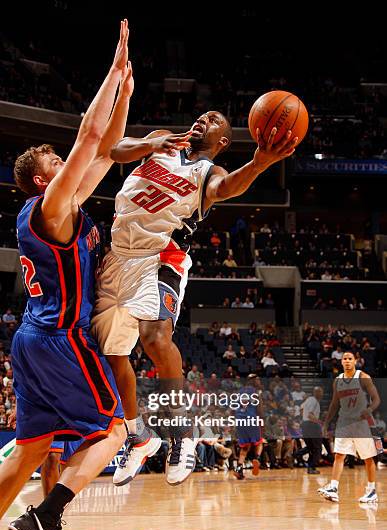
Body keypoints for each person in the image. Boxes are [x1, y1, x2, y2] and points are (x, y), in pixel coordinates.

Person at [91, 114, 297, 487]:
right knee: (112, 356)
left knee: (155, 338)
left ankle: (181, 434)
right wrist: (149, 145)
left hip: (159, 257)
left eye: (214, 121)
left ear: (222, 141)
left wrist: (260, 162)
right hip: (115, 258)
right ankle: (138, 438)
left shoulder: (208, 170)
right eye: (202, 116)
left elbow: (227, 187)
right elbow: (114, 150)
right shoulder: (162, 140)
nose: (203, 120)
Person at [0, 20, 133, 530]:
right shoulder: (52, 210)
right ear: (40, 182)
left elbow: (103, 147)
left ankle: (38, 512)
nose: (68, 164)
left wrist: (124, 91)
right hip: (60, 339)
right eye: (54, 164)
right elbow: (87, 137)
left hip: (33, 339)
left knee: (31, 449)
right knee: (114, 428)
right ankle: (45, 516)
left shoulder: (67, 206)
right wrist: (110, 69)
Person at [318, 351, 380, 503]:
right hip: (344, 422)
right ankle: (333, 488)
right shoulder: (338, 380)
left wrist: (370, 409)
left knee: (367, 458)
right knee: (339, 455)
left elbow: (376, 399)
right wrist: (326, 423)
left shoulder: (363, 377)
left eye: (349, 359)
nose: (346, 361)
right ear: (341, 361)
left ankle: (371, 491)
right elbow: (334, 404)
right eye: (344, 359)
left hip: (361, 423)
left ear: (355, 361)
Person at [300, 387, 324, 474]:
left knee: (311, 448)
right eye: (320, 392)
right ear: (315, 392)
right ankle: (311, 467)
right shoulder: (313, 401)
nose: (322, 394)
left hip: (306, 424)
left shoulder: (309, 400)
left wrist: (304, 418)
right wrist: (318, 423)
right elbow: (310, 415)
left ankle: (293, 456)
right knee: (317, 448)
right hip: (311, 425)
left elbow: (301, 408)